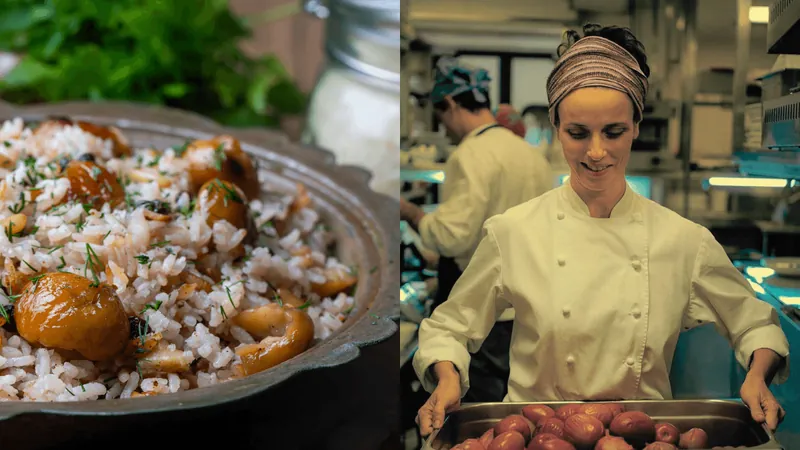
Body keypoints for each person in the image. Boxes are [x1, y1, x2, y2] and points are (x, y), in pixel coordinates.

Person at [413, 24, 790, 437]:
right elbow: (450, 328)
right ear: (556, 127)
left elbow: (754, 324)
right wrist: (447, 378)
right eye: (578, 133)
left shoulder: (683, 240)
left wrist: (757, 375)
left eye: (614, 132)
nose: (596, 152)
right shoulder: (514, 232)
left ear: (635, 127)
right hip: (538, 439)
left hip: (641, 440)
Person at [400, 57, 553, 403]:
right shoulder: (531, 156)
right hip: (529, 306)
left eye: (440, 114)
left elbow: (453, 236)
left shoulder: (471, 154)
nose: (444, 126)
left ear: (451, 104)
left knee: (479, 409)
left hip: (483, 309)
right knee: (515, 406)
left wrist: (411, 213)